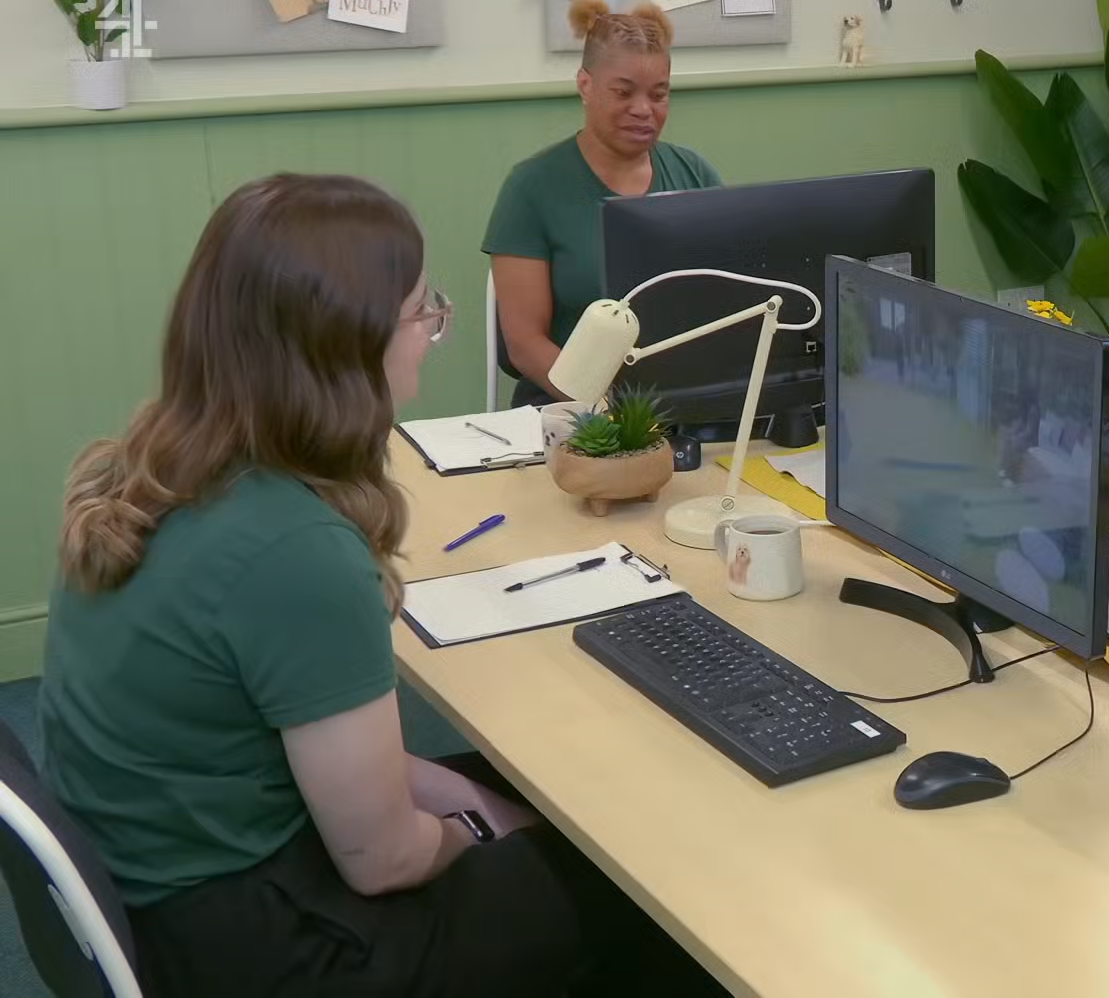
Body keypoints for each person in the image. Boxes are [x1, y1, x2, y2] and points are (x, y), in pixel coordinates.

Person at [39, 174, 724, 997]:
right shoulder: (294, 549)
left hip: (163, 891)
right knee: (655, 888)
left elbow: (344, 758)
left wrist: (485, 808)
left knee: (559, 807)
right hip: (262, 947)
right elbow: (384, 859)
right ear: (346, 344)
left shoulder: (153, 465)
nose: (435, 328)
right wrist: (479, 830)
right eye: (422, 309)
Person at [485, 0, 723, 407]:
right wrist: (610, 412)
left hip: (686, 404)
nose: (643, 110)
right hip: (571, 408)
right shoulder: (531, 188)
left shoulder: (695, 174)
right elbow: (524, 345)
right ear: (585, 85)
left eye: (659, 94)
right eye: (623, 92)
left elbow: (732, 302)